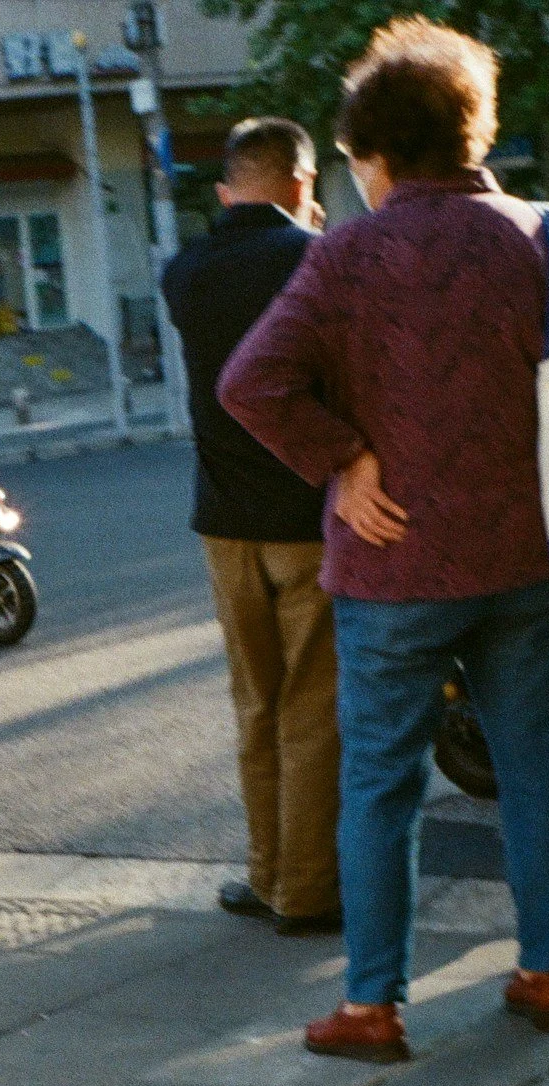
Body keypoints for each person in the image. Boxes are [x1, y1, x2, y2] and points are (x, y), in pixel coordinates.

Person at [220, 17, 549, 1061]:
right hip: (526, 556)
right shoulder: (541, 234)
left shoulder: (348, 252)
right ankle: (546, 970)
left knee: (380, 782)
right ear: (471, 131)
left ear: (374, 154)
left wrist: (344, 460)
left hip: (394, 563)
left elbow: (250, 382)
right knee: (538, 763)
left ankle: (373, 1003)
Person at [161, 115, 341, 938]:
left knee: (256, 704)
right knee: (312, 707)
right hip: (307, 517)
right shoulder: (317, 260)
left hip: (223, 521)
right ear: (302, 183)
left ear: (231, 185)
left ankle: (265, 874)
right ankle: (307, 892)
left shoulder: (185, 274)